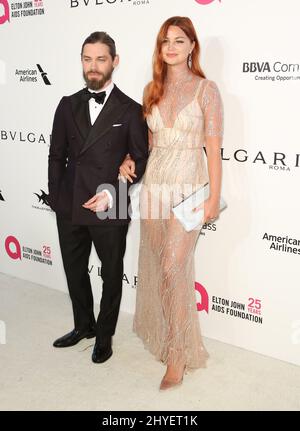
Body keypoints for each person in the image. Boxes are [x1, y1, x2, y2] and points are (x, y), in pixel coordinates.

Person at [119, 16, 224, 390]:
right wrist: (130, 160)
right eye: (166, 40)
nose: (172, 47)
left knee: (170, 266)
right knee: (162, 270)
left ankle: (178, 353)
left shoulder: (206, 90)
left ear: (192, 46)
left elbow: (213, 149)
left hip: (189, 191)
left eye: (180, 40)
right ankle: (169, 338)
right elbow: (147, 146)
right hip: (155, 189)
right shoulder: (153, 89)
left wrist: (213, 195)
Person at [48, 31, 148, 364]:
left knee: (110, 273)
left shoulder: (131, 109)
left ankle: (104, 337)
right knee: (74, 270)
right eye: (87, 59)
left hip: (111, 202)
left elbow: (140, 159)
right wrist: (59, 201)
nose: (93, 67)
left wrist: (112, 194)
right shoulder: (67, 104)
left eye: (101, 59)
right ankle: (83, 326)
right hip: (72, 203)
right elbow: (55, 155)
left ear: (114, 62)